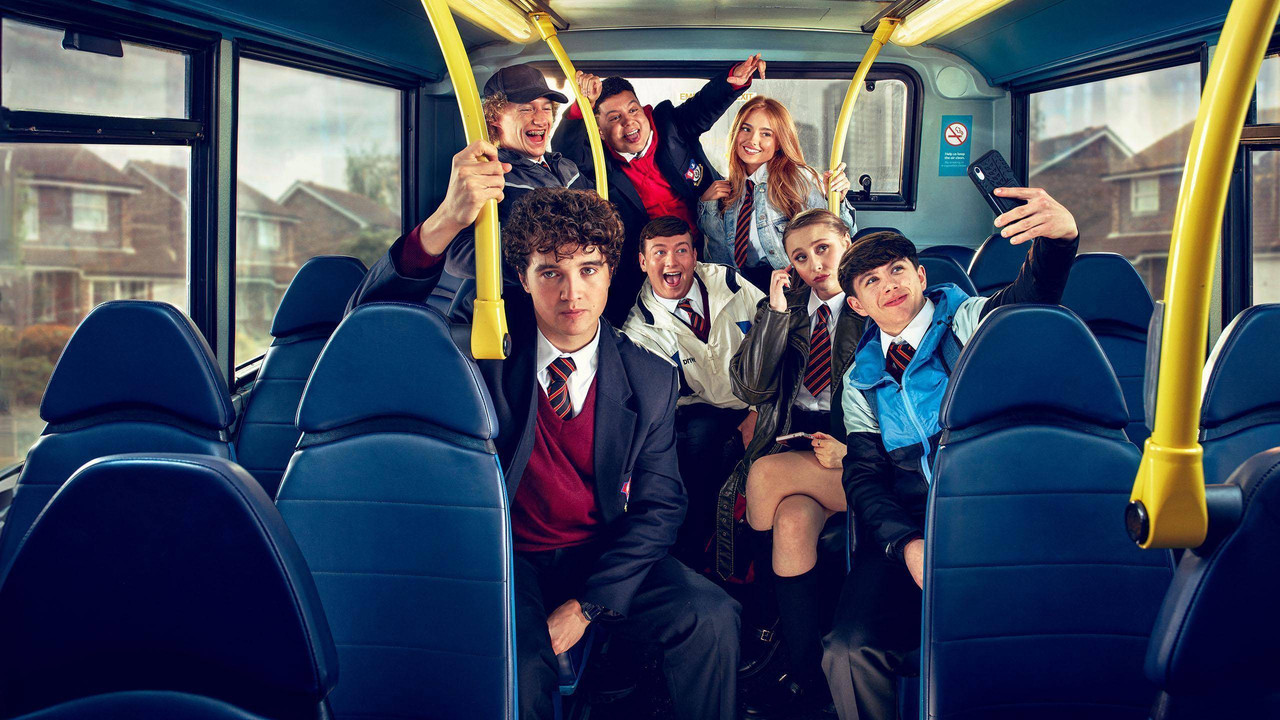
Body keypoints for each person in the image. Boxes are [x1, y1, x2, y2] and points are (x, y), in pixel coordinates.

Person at [349, 141, 740, 720]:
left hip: (602, 551)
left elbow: (660, 508)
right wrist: (445, 221)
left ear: (611, 275)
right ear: (524, 279)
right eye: (550, 272)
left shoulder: (651, 378)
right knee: (523, 665)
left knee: (712, 617)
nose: (571, 292)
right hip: (508, 556)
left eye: (588, 270)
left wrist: (588, 605)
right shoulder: (481, 350)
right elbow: (369, 330)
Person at [822, 188, 1081, 720]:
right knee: (848, 649)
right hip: (911, 528)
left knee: (1016, 639)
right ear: (857, 305)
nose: (889, 285)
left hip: (992, 514)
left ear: (920, 276)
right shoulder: (858, 384)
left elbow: (1028, 300)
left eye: (897, 270)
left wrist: (1059, 242)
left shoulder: (968, 322)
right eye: (871, 281)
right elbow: (865, 479)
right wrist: (906, 544)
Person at [723, 209, 865, 715]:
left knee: (763, 473)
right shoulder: (790, 305)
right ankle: (807, 672)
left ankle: (762, 616)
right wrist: (776, 313)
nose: (814, 265)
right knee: (791, 522)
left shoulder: (873, 299)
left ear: (848, 243)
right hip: (799, 437)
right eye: (800, 257)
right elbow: (751, 388)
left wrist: (851, 450)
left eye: (824, 248)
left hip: (857, 451)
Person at [553, 56, 765, 324]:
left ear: (644, 111)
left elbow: (703, 107)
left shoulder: (670, 126)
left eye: (633, 110)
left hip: (707, 246)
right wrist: (579, 107)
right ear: (601, 132)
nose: (629, 123)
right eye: (615, 117)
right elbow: (565, 149)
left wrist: (733, 80)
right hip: (646, 267)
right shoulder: (598, 163)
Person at [620, 214, 765, 565]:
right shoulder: (638, 330)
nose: (671, 262)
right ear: (642, 262)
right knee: (696, 448)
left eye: (681, 250)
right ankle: (697, 556)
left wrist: (759, 411)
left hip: (760, 397)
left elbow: (776, 338)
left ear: (695, 256)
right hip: (702, 408)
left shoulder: (729, 282)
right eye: (659, 252)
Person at [699, 95, 855, 291]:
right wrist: (708, 207)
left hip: (793, 288)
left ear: (779, 141)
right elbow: (720, 261)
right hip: (744, 289)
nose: (752, 140)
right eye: (746, 129)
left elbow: (843, 239)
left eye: (766, 134)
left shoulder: (799, 179)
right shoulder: (730, 188)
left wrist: (837, 200)